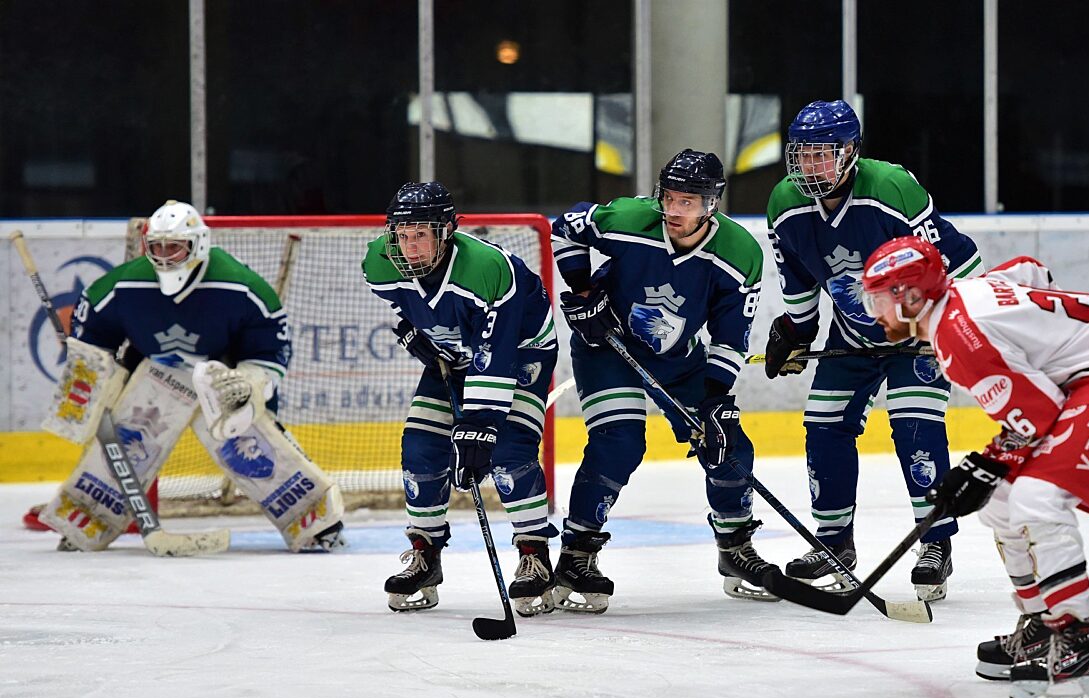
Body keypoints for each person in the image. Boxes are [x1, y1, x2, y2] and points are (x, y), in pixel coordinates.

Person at [861, 235, 1089, 698]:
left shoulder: (956, 336)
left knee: (1037, 500)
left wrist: (980, 466)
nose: (873, 312)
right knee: (1003, 502)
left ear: (910, 298)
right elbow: (1030, 271)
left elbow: (1038, 412)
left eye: (880, 299)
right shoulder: (962, 292)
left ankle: (1079, 647)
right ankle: (1040, 628)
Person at [764, 99, 984, 601]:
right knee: (823, 424)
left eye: (823, 155)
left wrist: (951, 327)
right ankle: (835, 542)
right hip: (853, 334)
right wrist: (796, 331)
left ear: (851, 153)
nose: (810, 166)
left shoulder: (890, 188)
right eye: (802, 155)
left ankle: (934, 542)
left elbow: (953, 259)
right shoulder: (785, 202)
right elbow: (797, 274)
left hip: (915, 332)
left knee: (915, 425)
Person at [39, 200, 346, 553]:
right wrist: (96, 381)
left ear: (198, 244)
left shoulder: (239, 285)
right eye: (158, 247)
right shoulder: (123, 286)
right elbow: (92, 335)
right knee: (128, 438)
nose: (166, 256)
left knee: (246, 443)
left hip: (220, 378)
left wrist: (250, 382)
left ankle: (315, 520)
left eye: (175, 246)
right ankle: (85, 519)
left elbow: (269, 347)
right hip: (154, 376)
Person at [550, 148, 773, 614]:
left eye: (687, 201)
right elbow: (567, 227)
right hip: (606, 347)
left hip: (678, 358)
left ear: (711, 204)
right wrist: (583, 289)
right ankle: (577, 555)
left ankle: (734, 549)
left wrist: (714, 402)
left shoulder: (739, 254)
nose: (674, 209)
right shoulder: (631, 218)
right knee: (619, 442)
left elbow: (730, 338)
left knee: (729, 444)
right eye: (669, 197)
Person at [362, 182, 559, 616]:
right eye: (402, 234)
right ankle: (425, 554)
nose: (409, 246)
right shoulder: (379, 262)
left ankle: (535, 557)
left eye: (421, 235)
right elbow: (404, 308)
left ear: (447, 231)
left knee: (508, 453)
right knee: (420, 448)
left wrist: (481, 424)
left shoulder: (488, 269)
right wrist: (414, 334)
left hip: (522, 351)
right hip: (452, 358)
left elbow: (497, 351)